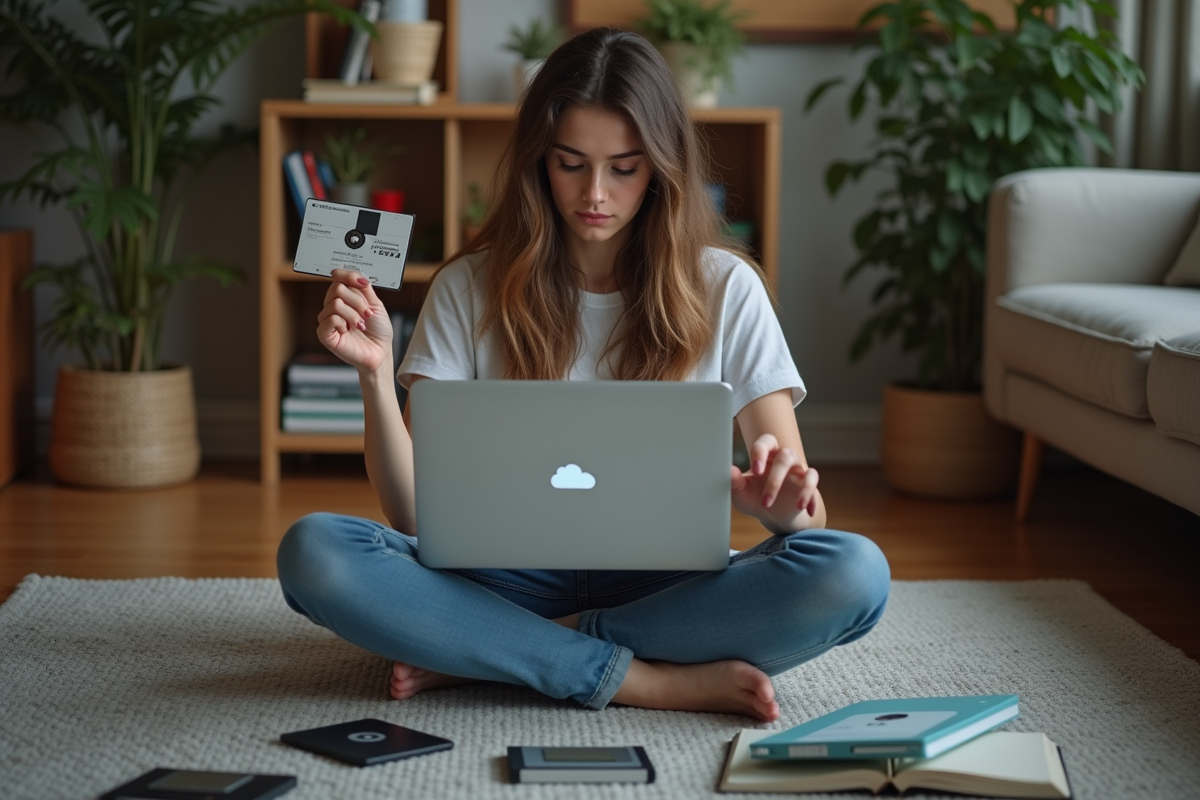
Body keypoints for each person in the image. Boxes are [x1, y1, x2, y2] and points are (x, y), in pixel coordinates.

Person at [277, 27, 889, 722]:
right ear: (539, 160)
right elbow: (413, 515)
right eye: (571, 163)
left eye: (624, 168)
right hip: (498, 579)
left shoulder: (727, 287)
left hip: (668, 587)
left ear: (662, 168)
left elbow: (809, 520)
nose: (595, 193)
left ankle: (496, 650)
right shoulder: (468, 286)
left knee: (854, 572)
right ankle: (647, 680)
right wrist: (375, 375)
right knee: (316, 552)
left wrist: (778, 506)